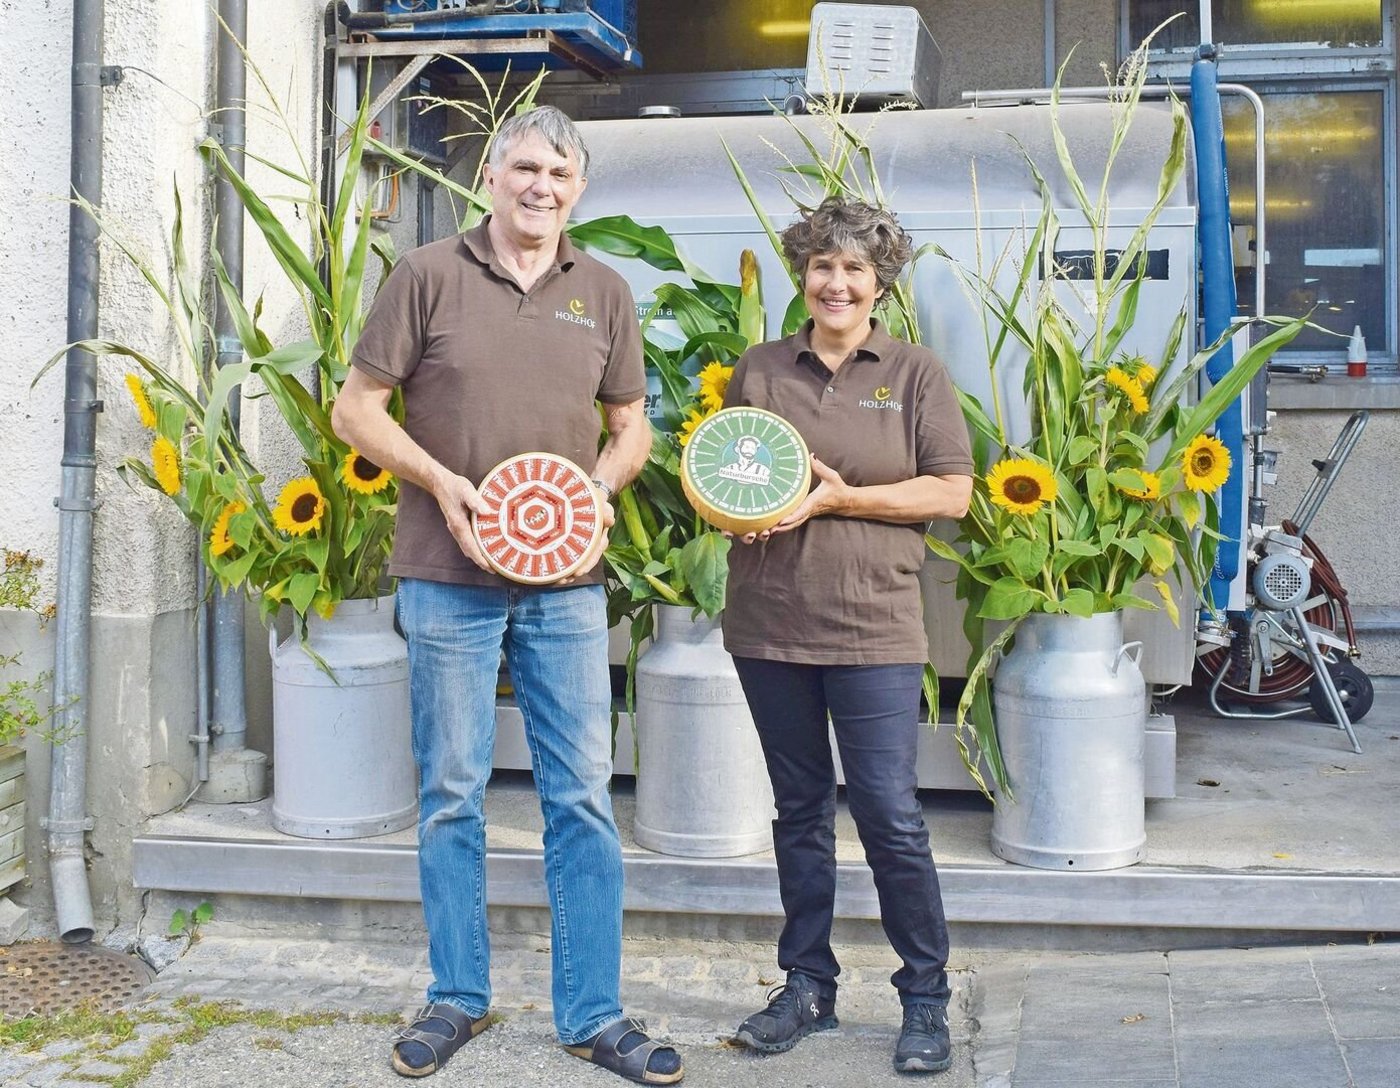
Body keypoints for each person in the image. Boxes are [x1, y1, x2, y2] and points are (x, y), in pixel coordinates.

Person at [332, 105, 682, 1086]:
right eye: (525, 167)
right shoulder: (426, 276)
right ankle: (456, 995)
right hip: (447, 580)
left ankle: (592, 1011)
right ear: (491, 173)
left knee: (580, 794)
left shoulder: (602, 290)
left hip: (567, 585)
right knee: (451, 790)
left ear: (578, 190)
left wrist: (597, 491)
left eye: (560, 176)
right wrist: (440, 481)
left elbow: (630, 424)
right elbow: (354, 409)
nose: (541, 187)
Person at [721, 197, 974, 1074]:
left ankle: (926, 997)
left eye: (854, 269)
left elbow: (950, 493)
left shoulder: (913, 374)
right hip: (768, 623)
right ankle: (807, 987)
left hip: (874, 624)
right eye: (822, 266)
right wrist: (738, 516)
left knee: (888, 812)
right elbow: (730, 473)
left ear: (880, 285)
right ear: (803, 275)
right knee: (798, 812)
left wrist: (841, 499)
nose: (836, 282)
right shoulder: (758, 368)